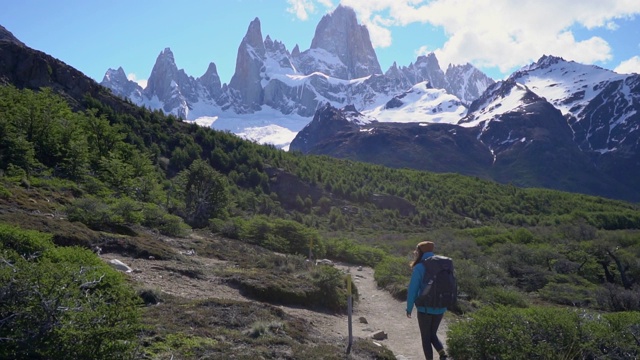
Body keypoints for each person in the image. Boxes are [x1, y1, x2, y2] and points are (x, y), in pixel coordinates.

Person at [406, 241, 448, 360]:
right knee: (433, 334)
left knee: (426, 337)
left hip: (425, 308)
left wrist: (409, 308)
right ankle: (443, 355)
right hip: (440, 307)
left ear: (420, 251)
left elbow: (413, 290)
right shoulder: (443, 265)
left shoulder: (420, 267)